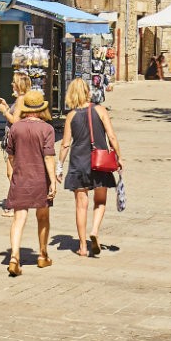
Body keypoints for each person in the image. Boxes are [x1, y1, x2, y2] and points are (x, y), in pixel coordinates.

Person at [57, 78, 120, 257]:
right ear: (88, 91)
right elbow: (112, 136)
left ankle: (83, 246)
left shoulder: (71, 115)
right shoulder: (100, 110)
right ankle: (94, 231)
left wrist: (59, 167)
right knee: (100, 201)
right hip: (99, 160)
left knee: (80, 206)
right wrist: (119, 156)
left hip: (78, 162)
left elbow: (65, 144)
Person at [2, 89, 59, 276]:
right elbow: (49, 157)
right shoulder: (47, 129)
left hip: (21, 177)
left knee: (19, 218)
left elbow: (10, 154)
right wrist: (53, 181)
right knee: (43, 217)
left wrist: (14, 168)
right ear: (41, 108)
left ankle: (14, 257)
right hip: (39, 178)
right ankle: (42, 256)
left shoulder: (16, 127)